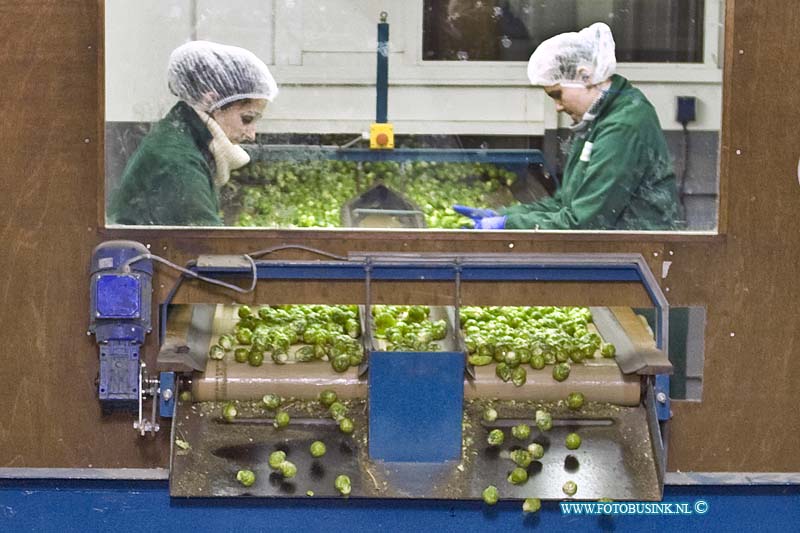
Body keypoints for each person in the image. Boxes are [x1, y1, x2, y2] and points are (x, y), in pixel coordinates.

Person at [454, 23, 680, 230]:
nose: (558, 107)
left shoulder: (623, 126)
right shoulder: (598, 119)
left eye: (558, 95)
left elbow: (583, 223)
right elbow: (564, 205)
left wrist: (508, 225)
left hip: (639, 256)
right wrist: (505, 215)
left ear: (584, 76)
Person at [108, 41, 278, 226]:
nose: (251, 135)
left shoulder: (181, 134)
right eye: (246, 118)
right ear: (211, 100)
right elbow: (209, 244)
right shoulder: (179, 163)